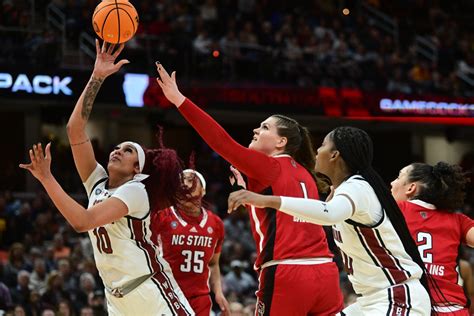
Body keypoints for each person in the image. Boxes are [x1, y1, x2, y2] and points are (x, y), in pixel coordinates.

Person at [20, 40, 194, 316]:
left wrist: (46, 178)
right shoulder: (97, 183)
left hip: (150, 290)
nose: (117, 150)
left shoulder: (136, 191)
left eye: (128, 151)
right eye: (117, 147)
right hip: (116, 299)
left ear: (138, 169)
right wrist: (97, 77)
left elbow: (82, 222)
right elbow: (75, 129)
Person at [156, 63, 344, 315]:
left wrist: (179, 100)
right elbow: (284, 213)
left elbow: (221, 141)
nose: (256, 129)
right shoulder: (305, 173)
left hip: (288, 273)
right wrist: (252, 196)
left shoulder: (268, 165)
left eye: (265, 127)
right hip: (326, 274)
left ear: (281, 142)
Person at [227, 126, 432, 315]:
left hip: (397, 297)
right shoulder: (344, 192)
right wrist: (249, 196)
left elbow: (328, 213)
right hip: (370, 301)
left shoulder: (358, 187)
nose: (317, 150)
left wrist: (265, 200)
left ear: (335, 155)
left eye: (323, 145)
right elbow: (306, 217)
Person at [391, 161, 474, 315]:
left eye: (398, 177)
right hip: (452, 309)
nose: (392, 183)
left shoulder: (395, 211)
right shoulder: (458, 219)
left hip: (411, 307)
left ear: (411, 188)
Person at [151, 169, 230, 316]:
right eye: (180, 181)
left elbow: (213, 263)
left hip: (199, 298)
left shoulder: (216, 223)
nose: (184, 183)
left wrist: (218, 293)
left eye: (190, 179)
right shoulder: (162, 216)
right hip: (168, 293)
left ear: (203, 190)